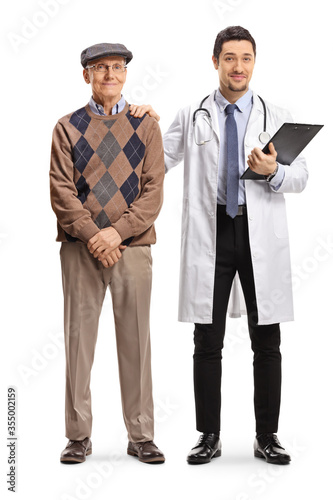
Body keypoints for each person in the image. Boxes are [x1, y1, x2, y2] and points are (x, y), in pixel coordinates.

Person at [132, 25, 308, 465]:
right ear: (215, 63)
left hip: (257, 232)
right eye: (229, 58)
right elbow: (158, 159)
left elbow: (302, 176)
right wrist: (143, 125)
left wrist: (273, 171)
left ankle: (267, 436)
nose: (238, 67)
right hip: (213, 233)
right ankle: (208, 435)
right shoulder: (193, 113)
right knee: (206, 339)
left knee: (266, 339)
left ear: (254, 63)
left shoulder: (277, 115)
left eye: (245, 58)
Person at [50, 43, 165, 465]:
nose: (110, 75)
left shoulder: (146, 126)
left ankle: (141, 435)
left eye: (118, 67)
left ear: (126, 74)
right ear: (87, 76)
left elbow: (153, 193)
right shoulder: (66, 127)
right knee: (78, 343)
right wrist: (94, 235)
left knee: (137, 342)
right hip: (82, 250)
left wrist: (116, 234)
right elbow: (61, 192)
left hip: (132, 249)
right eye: (101, 68)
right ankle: (78, 436)